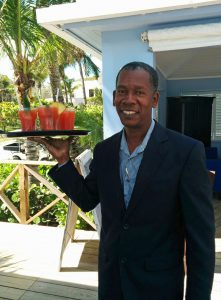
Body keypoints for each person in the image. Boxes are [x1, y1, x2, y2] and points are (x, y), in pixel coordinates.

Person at [30, 61, 215, 300]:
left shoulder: (186, 152)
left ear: (155, 99)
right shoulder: (105, 150)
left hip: (159, 287)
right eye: (121, 91)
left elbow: (200, 241)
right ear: (115, 97)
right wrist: (64, 161)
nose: (129, 99)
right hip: (112, 281)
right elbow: (87, 199)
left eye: (139, 92)